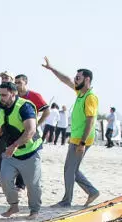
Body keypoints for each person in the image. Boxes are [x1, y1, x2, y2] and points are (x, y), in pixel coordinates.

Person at [42, 57, 101, 207]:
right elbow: (65, 79)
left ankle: (67, 200)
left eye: (78, 78)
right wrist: (51, 68)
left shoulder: (90, 97)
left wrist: (82, 142)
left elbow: (90, 121)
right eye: (76, 77)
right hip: (76, 138)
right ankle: (92, 192)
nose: (75, 80)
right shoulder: (80, 93)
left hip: (82, 139)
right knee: (72, 170)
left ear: (87, 80)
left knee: (70, 170)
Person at [0, 82, 43, 219]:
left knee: (33, 185)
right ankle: (14, 206)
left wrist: (14, 145)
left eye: (4, 95)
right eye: (0, 95)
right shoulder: (0, 110)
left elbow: (31, 130)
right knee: (4, 179)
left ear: (13, 93)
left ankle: (34, 210)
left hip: (31, 152)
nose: (1, 98)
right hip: (12, 153)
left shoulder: (24, 107)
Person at [5, 74, 49, 190]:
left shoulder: (34, 96)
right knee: (17, 153)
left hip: (31, 129)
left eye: (19, 82)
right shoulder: (14, 96)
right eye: (16, 82)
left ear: (26, 82)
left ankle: (22, 184)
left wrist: (37, 123)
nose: (17, 84)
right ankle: (15, 182)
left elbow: (46, 111)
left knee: (30, 153)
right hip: (18, 130)